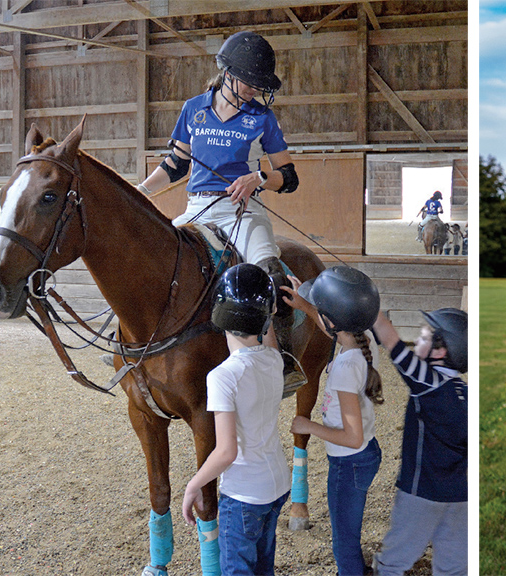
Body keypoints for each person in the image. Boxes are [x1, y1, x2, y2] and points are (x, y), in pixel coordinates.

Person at [137, 30, 306, 395]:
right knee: (151, 259)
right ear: (228, 74)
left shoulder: (262, 118)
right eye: (249, 82)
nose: (254, 90)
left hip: (243, 213)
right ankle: (137, 346)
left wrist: (258, 178)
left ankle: (285, 363)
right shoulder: (193, 108)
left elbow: (289, 177)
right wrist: (141, 191)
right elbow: (175, 163)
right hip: (197, 208)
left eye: (258, 85)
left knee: (271, 275)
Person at [181, 263, 290, 576]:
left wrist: (194, 485)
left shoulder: (222, 377)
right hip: (277, 484)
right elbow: (266, 333)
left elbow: (226, 452)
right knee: (263, 567)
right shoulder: (274, 358)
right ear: (267, 317)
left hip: (244, 494)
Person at [280, 266, 384, 576]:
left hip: (349, 462)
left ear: (333, 320)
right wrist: (306, 306)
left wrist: (307, 425)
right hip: (365, 455)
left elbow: (351, 437)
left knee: (343, 541)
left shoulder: (343, 369)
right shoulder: (364, 343)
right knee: (347, 532)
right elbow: (336, 331)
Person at [369, 307, 468, 576]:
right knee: (454, 568)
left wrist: (371, 308)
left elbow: (391, 341)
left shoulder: (428, 383)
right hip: (461, 498)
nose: (417, 344)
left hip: (420, 494)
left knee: (393, 562)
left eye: (423, 338)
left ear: (440, 350)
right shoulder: (465, 392)